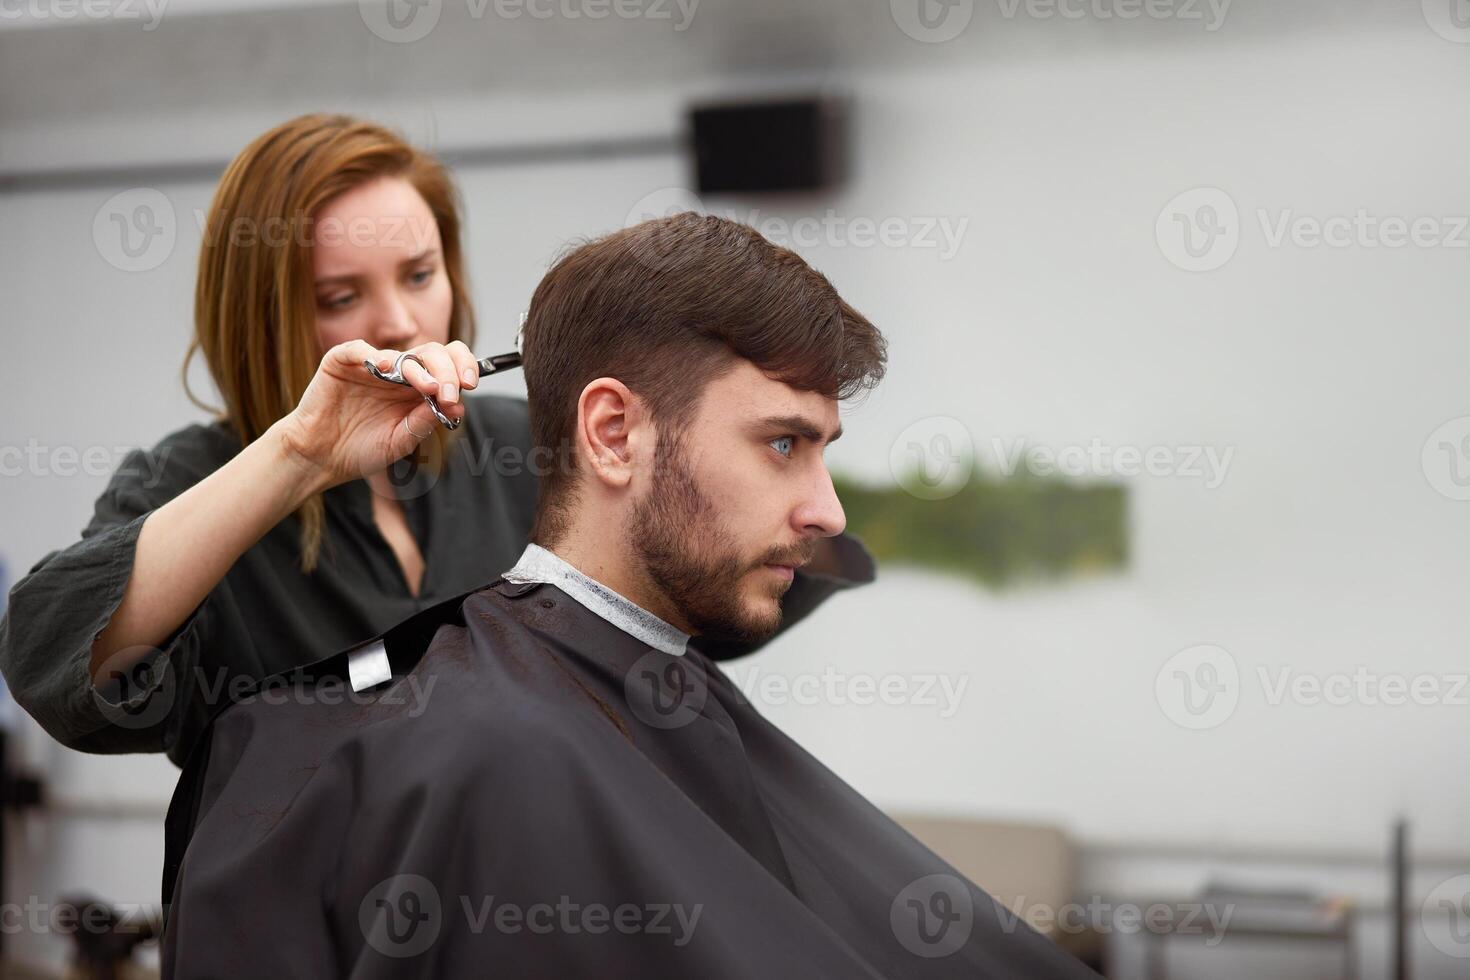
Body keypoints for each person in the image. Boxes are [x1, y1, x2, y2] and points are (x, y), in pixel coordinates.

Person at [160, 214, 1097, 979]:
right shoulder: (478, 751)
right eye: (782, 443)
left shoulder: (636, 697)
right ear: (613, 433)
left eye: (824, 450)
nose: (825, 510)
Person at [0, 115, 874, 769]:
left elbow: (708, 575)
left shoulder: (530, 445)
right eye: (340, 297)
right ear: (261, 313)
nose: (401, 320)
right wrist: (301, 452)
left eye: (421, 275)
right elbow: (53, 659)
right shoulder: (193, 480)